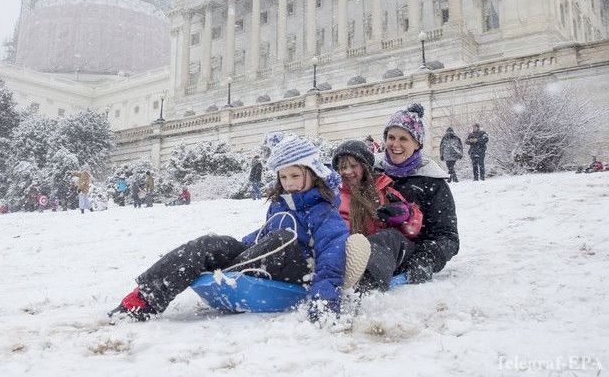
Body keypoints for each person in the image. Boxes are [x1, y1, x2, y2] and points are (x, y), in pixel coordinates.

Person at [108, 134, 369, 322]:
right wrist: (238, 247)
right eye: (283, 176)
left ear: (312, 173)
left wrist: (324, 299)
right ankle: (145, 298)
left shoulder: (324, 211)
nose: (288, 183)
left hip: (299, 272)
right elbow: (263, 236)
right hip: (265, 257)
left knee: (281, 238)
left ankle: (228, 272)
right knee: (210, 243)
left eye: (295, 176)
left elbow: (331, 255)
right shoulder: (280, 205)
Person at [375, 103, 460, 285]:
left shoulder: (432, 182)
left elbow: (448, 237)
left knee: (389, 239)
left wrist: (425, 259)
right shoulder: (374, 172)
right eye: (391, 137)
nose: (395, 144)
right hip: (368, 246)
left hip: (408, 253)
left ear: (417, 143)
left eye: (403, 139)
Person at [332, 140, 423, 291]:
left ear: (365, 166)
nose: (347, 171)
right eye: (343, 167)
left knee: (387, 237)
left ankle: (368, 283)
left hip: (387, 250)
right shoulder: (334, 197)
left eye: (353, 166)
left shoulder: (384, 190)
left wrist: (405, 214)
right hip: (353, 252)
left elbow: (413, 230)